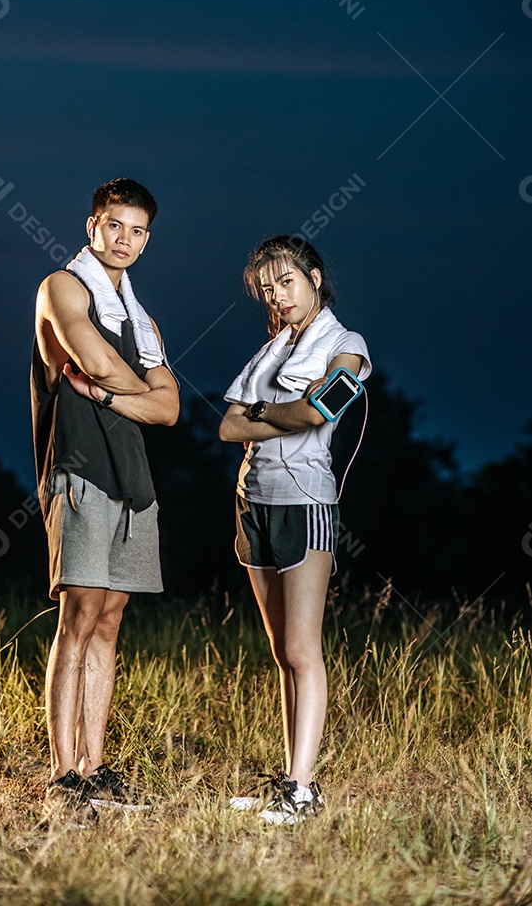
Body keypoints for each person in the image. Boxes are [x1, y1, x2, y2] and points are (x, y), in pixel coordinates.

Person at [31, 177, 179, 825]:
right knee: (79, 616)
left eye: (137, 230)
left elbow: (169, 410)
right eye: (114, 225)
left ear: (147, 241)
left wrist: (109, 397)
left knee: (111, 620)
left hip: (132, 480)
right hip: (78, 467)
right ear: (92, 225)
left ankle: (94, 767)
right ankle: (62, 774)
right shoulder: (62, 286)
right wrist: (126, 391)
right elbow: (92, 360)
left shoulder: (140, 316)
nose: (125, 239)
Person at [219, 234, 371, 826]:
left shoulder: (346, 342)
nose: (276, 296)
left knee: (304, 650)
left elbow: (320, 410)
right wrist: (267, 415)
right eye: (266, 288)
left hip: (304, 500)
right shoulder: (270, 350)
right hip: (251, 500)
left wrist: (259, 415)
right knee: (282, 653)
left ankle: (303, 794)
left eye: (286, 282)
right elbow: (228, 429)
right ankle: (290, 780)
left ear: (312, 276)